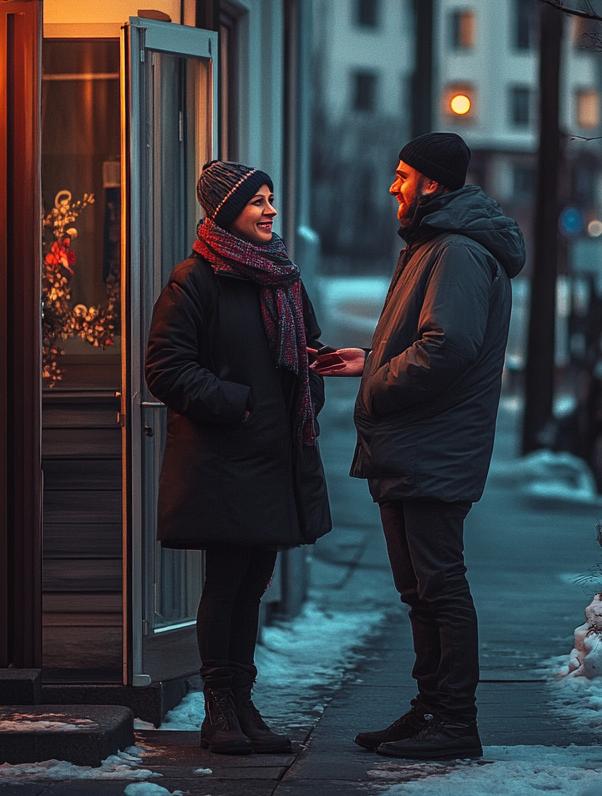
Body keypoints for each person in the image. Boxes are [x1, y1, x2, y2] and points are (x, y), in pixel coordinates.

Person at [314, 132, 526, 760]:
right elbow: (434, 339)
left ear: (431, 183)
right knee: (420, 590)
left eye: (402, 174)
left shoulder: (456, 250)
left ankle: (454, 722)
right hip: (419, 444)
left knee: (439, 586)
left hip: (434, 446)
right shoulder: (438, 244)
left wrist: (377, 385)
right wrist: (372, 358)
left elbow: (448, 347)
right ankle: (431, 709)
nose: (392, 186)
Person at [145, 160, 332, 756]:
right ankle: (218, 709)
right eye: (257, 201)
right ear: (226, 212)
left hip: (274, 458)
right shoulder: (194, 280)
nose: (270, 210)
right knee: (227, 582)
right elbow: (167, 369)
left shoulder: (283, 279)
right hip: (224, 458)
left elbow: (307, 354)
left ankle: (244, 704)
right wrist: (239, 405)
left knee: (253, 583)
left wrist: (313, 383)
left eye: (271, 198)